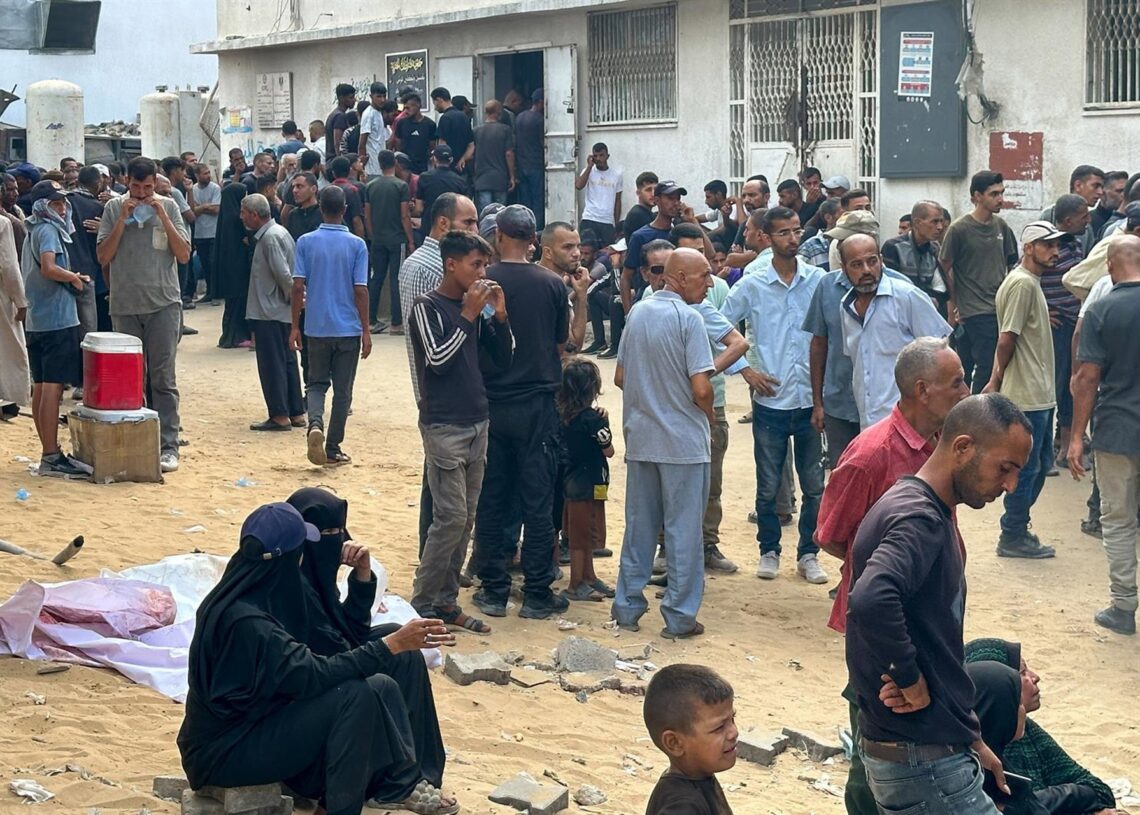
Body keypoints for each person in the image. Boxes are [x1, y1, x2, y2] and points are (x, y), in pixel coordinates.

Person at [178, 501, 457, 815]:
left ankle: (380, 788)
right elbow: (312, 673)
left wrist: (385, 635)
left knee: (379, 686)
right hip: (222, 753)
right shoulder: (249, 622)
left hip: (252, 726)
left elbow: (322, 656)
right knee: (355, 695)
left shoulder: (250, 595)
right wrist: (389, 645)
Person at [846, 394, 1033, 815]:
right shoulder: (921, 518)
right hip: (923, 764)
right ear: (963, 447)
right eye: (1005, 468)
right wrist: (907, 675)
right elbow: (872, 598)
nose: (1010, 486)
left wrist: (969, 738)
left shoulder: (915, 505)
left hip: (926, 754)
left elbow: (926, 633)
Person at [816, 338, 969, 815]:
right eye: (956, 382)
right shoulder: (872, 454)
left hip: (922, 617)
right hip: (882, 621)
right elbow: (831, 534)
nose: (966, 390)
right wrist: (888, 573)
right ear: (923, 390)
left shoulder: (941, 448)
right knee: (875, 747)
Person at [470, 205, 571, 621]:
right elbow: (561, 345)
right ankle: (536, 593)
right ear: (534, 241)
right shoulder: (551, 284)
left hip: (494, 402)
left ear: (498, 237)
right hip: (538, 403)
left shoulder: (482, 284)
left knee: (493, 498)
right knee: (538, 500)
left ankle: (493, 590)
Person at [410, 229, 513, 635]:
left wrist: (499, 317)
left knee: (466, 518)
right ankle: (421, 602)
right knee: (450, 517)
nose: (483, 272)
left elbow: (502, 360)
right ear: (451, 264)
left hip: (477, 420)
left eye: (485, 264)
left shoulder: (477, 308)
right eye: (476, 264)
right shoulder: (427, 305)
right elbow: (436, 359)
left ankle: (446, 601)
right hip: (444, 424)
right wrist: (469, 315)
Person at [721, 207, 829, 584]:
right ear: (767, 238)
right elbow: (717, 322)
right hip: (770, 402)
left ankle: (809, 554)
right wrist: (743, 369)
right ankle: (769, 550)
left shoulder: (818, 280)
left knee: (815, 485)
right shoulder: (752, 283)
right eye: (784, 233)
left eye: (797, 231)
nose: (793, 239)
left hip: (810, 400)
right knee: (768, 485)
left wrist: (823, 397)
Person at [611, 248, 715, 638]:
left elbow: (621, 376)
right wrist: (707, 413)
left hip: (642, 437)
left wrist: (651, 398)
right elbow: (701, 387)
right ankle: (680, 616)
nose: (710, 283)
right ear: (682, 277)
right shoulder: (690, 319)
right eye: (704, 276)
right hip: (684, 444)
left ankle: (627, 607)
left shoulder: (638, 311)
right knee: (684, 532)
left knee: (639, 526)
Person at [96, 157, 190, 473]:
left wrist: (162, 213)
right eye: (135, 187)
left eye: (147, 187)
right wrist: (122, 219)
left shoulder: (169, 206)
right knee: (130, 380)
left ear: (155, 183)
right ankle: (137, 442)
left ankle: (168, 446)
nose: (141, 193)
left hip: (163, 304)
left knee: (162, 377)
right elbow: (103, 257)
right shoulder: (113, 208)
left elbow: (184, 254)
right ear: (126, 182)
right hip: (125, 306)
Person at [399, 193, 480, 557]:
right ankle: (432, 560)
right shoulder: (430, 269)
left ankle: (442, 561)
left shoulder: (426, 262)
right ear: (444, 224)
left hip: (446, 392)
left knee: (443, 486)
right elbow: (432, 344)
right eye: (468, 223)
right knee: (442, 489)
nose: (475, 230)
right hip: (438, 393)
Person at [1069, 234, 1140, 636]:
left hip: (1117, 430)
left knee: (1118, 519)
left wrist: (1076, 437)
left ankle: (1124, 606)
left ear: (1111, 266)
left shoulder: (1100, 310)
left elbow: (1088, 377)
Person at [978, 220, 1061, 560]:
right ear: (1029, 248)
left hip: (1039, 391)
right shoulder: (1022, 284)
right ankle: (1013, 533)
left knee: (1040, 465)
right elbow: (1006, 337)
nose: (1054, 251)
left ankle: (1016, 528)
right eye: (1047, 245)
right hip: (1026, 393)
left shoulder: (1030, 282)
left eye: (1056, 245)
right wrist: (995, 380)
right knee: (1027, 468)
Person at [963, 639, 1118, 813]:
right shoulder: (963, 779)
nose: (1035, 677)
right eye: (1021, 673)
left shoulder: (1026, 732)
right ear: (998, 694)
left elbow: (1098, 790)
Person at [290, 186, 371, 467]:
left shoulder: (305, 242)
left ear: (321, 208)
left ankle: (315, 424)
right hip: (347, 328)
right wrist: (366, 329)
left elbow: (298, 286)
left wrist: (294, 327)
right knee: (343, 391)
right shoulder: (357, 245)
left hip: (316, 326)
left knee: (316, 383)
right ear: (345, 210)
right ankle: (334, 446)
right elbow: (360, 290)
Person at [838, 234, 952, 428]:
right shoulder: (846, 307)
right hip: (868, 421)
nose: (866, 270)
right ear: (844, 269)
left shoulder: (907, 296)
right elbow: (859, 363)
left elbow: (942, 351)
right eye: (857, 264)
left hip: (909, 420)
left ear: (881, 261)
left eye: (872, 261)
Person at [19, 181, 88, 477]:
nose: (61, 207)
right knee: (52, 387)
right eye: (55, 203)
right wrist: (73, 278)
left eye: (62, 202)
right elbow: (49, 267)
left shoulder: (32, 229)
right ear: (42, 205)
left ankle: (48, 450)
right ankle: (51, 454)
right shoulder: (47, 230)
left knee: (41, 386)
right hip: (56, 319)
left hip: (38, 318)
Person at [940, 170, 1019, 392]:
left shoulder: (1001, 226)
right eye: (994, 194)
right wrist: (953, 304)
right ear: (977, 196)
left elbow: (1013, 264)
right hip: (974, 310)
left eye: (1001, 193)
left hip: (1000, 309)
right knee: (984, 366)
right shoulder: (959, 229)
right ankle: (976, 413)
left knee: (994, 365)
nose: (1000, 199)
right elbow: (944, 268)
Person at [240, 193, 304, 432]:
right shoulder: (279, 232)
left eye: (243, 212)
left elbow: (283, 275)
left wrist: (296, 299)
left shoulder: (269, 239)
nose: (241, 216)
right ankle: (296, 411)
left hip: (269, 311)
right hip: (281, 310)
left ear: (255, 215)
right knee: (287, 360)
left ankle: (279, 414)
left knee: (271, 363)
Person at [642, 664, 738, 815]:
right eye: (719, 728)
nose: (734, 732)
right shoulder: (681, 807)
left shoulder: (699, 775)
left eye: (733, 719)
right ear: (674, 743)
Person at [557, 357, 615, 601]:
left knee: (583, 533)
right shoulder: (594, 420)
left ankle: (588, 576)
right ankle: (576, 583)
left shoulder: (562, 416)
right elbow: (608, 450)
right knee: (583, 537)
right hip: (591, 483)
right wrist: (605, 421)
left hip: (573, 482)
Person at [364, 150, 414, 336]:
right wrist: (410, 240)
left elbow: (367, 215)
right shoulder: (401, 186)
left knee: (376, 277)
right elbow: (404, 215)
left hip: (378, 239)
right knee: (396, 279)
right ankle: (396, 323)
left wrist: (372, 235)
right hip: (397, 239)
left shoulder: (370, 186)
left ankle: (370, 321)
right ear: (395, 163)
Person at [881, 200, 950, 315]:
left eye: (941, 222)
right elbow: (890, 288)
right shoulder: (894, 247)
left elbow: (942, 289)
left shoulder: (934, 249)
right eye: (934, 222)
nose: (940, 227)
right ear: (917, 223)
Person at [213, 183, 253, 349]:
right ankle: (235, 336)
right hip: (238, 268)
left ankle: (230, 335)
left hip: (228, 268)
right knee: (238, 303)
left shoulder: (225, 217)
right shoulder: (236, 219)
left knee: (232, 305)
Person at [0, 214, 28, 422]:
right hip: (2, 296)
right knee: (10, 350)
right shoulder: (3, 224)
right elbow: (9, 266)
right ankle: (9, 400)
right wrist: (20, 301)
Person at [575, 143, 623, 247]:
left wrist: (616, 222)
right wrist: (589, 167)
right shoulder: (589, 171)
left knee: (606, 254)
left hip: (607, 221)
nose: (599, 158)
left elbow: (618, 200)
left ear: (607, 156)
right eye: (595, 156)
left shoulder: (616, 175)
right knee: (586, 251)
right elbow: (578, 186)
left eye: (601, 155)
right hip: (589, 218)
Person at [472, 100, 516, 212]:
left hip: (481, 179)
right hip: (499, 178)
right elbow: (509, 153)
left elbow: (471, 152)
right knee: (500, 214)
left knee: (485, 213)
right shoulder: (505, 130)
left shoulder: (476, 131)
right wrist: (512, 176)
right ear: (498, 112)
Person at [414, 146, 469, 229]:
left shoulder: (425, 177)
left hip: (430, 226)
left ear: (435, 159)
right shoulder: (460, 181)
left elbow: (419, 209)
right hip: (451, 228)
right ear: (451, 160)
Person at [514, 90, 546, 229]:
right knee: (538, 201)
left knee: (525, 202)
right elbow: (542, 143)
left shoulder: (519, 117)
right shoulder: (539, 119)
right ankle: (536, 230)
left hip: (521, 164)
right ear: (540, 102)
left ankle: (525, 229)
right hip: (536, 164)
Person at [189, 164, 221, 304]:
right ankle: (209, 292)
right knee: (205, 264)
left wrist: (199, 207)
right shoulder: (193, 190)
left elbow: (216, 209)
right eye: (204, 173)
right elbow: (191, 211)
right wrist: (206, 206)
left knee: (214, 263)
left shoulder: (215, 188)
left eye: (209, 173)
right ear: (197, 175)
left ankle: (216, 294)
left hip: (213, 232)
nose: (208, 176)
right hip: (200, 233)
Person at [431, 87, 474, 172]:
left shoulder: (445, 118)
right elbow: (471, 145)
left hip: (448, 169)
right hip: (463, 169)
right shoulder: (464, 117)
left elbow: (442, 145)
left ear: (439, 100)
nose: (435, 108)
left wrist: (438, 163)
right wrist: (463, 159)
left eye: (434, 103)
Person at [392, 94, 437, 174]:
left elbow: (432, 147)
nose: (405, 111)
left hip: (423, 167)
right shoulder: (401, 123)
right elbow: (398, 144)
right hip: (405, 167)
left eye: (408, 108)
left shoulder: (430, 124)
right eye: (404, 108)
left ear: (418, 106)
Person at [358, 83, 390, 177]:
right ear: (371, 96)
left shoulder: (379, 112)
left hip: (380, 165)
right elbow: (362, 143)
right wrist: (363, 165)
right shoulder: (368, 114)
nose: (382, 100)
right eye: (379, 96)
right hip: (371, 167)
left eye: (384, 96)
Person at [284, 170, 322, 242]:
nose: (294, 190)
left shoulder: (323, 213)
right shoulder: (293, 215)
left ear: (313, 189)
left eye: (299, 186)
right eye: (294, 187)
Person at [622, 171, 658, 240]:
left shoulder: (647, 213)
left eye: (655, 190)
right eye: (648, 190)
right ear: (638, 193)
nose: (653, 194)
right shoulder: (637, 215)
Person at [326, 83, 356, 158]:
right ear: (342, 98)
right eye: (351, 97)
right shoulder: (340, 116)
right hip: (335, 161)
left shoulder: (335, 114)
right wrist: (341, 160)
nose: (354, 100)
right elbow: (338, 144)